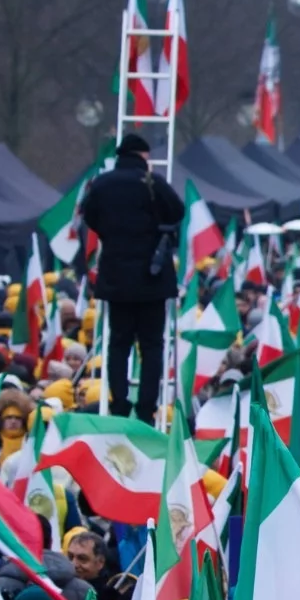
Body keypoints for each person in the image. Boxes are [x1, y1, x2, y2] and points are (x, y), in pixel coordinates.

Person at [78, 132, 183, 421]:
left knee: (118, 343)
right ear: (143, 156)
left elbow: (89, 217)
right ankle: (146, 407)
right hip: (152, 277)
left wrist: (114, 235)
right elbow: (177, 211)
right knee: (151, 345)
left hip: (115, 277)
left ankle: (120, 402)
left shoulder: (101, 184)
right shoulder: (151, 182)